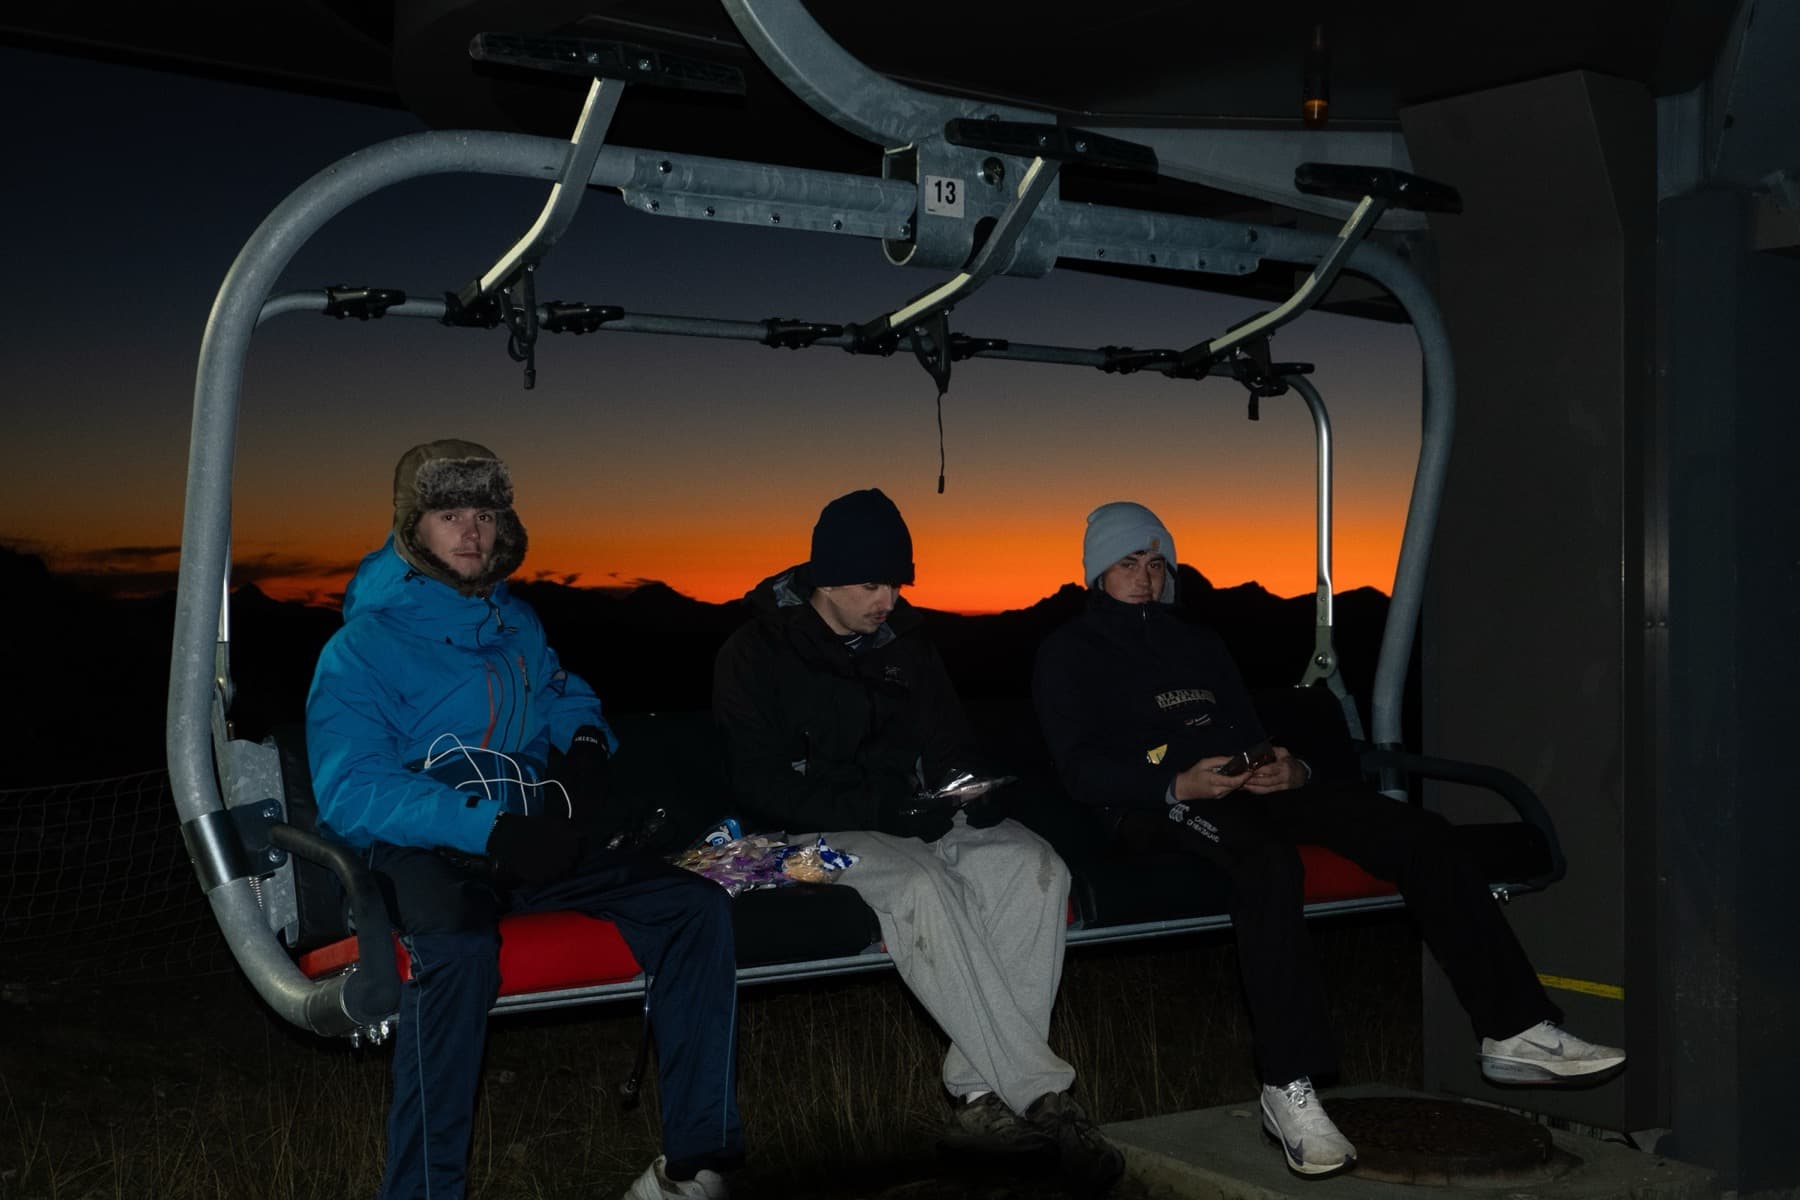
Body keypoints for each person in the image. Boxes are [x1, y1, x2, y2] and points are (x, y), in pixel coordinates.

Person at [1032, 501, 1626, 1179]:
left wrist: (1289, 769)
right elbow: (1079, 769)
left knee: (1417, 832)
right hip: (1156, 808)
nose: (1145, 576)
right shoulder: (1070, 652)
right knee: (1267, 865)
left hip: (1243, 790)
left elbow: (1245, 726)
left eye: (1156, 561)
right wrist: (1175, 783)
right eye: (1127, 563)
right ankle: (1288, 1086)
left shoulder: (1197, 643)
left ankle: (1513, 1028)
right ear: (1096, 572)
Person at [307, 439, 744, 1200]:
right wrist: (489, 829)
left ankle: (695, 1161)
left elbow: (565, 695)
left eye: (483, 514)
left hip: (526, 836)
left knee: (692, 907)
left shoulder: (515, 624)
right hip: (428, 847)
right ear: (413, 528)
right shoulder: (362, 647)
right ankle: (422, 1190)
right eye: (449, 515)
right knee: (459, 950)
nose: (471, 532)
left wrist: (581, 744)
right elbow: (353, 789)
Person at [711, 488, 1124, 1193]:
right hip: (794, 844)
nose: (887, 598)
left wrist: (974, 788)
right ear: (824, 579)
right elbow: (758, 787)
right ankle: (1039, 1097)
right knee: (917, 886)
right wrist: (883, 806)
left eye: (896, 582)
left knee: (1034, 869)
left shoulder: (906, 643)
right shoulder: (756, 651)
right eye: (871, 584)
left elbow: (949, 742)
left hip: (907, 815)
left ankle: (979, 1098)